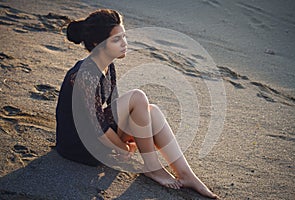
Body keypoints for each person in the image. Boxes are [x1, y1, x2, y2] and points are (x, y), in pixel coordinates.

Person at [55, 9, 219, 199]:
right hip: (78, 148)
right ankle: (152, 167)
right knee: (137, 97)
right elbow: (98, 128)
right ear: (96, 43)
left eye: (124, 36)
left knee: (152, 112)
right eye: (116, 40)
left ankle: (186, 174)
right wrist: (122, 148)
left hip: (96, 137)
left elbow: (115, 108)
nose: (124, 43)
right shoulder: (86, 75)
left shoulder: (108, 65)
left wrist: (134, 132)